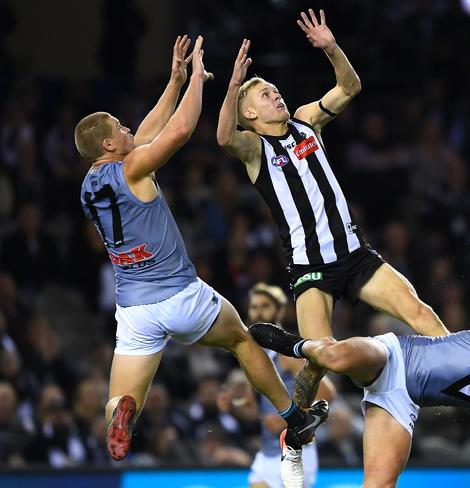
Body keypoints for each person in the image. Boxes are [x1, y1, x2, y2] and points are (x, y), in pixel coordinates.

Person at [74, 35, 327, 476]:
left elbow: (146, 134)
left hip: (133, 310)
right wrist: (196, 81)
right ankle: (294, 417)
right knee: (243, 341)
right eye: (120, 127)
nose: (128, 128)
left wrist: (171, 83)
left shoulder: (90, 186)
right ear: (109, 146)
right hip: (180, 294)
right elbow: (178, 132)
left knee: (123, 396)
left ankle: (121, 410)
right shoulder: (132, 168)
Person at [216, 8, 449, 412]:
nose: (275, 94)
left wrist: (332, 48)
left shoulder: (307, 122)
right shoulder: (255, 149)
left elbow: (350, 85)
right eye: (264, 95)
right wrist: (234, 83)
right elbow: (223, 138)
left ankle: (466, 376)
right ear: (250, 114)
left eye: (274, 89)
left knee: (420, 312)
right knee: (322, 356)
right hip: (311, 267)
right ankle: (300, 407)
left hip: (355, 255)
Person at [250, 296, 470, 487]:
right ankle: (293, 345)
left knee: (380, 486)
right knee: (334, 356)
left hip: (401, 401)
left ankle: (304, 376)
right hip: (396, 355)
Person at [245, 283, 336, 488]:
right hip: (267, 452)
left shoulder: (285, 354)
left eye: (265, 305)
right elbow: (255, 412)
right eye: (254, 306)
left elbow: (327, 392)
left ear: (280, 310)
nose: (258, 312)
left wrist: (288, 419)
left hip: (295, 451)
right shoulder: (255, 355)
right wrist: (232, 407)